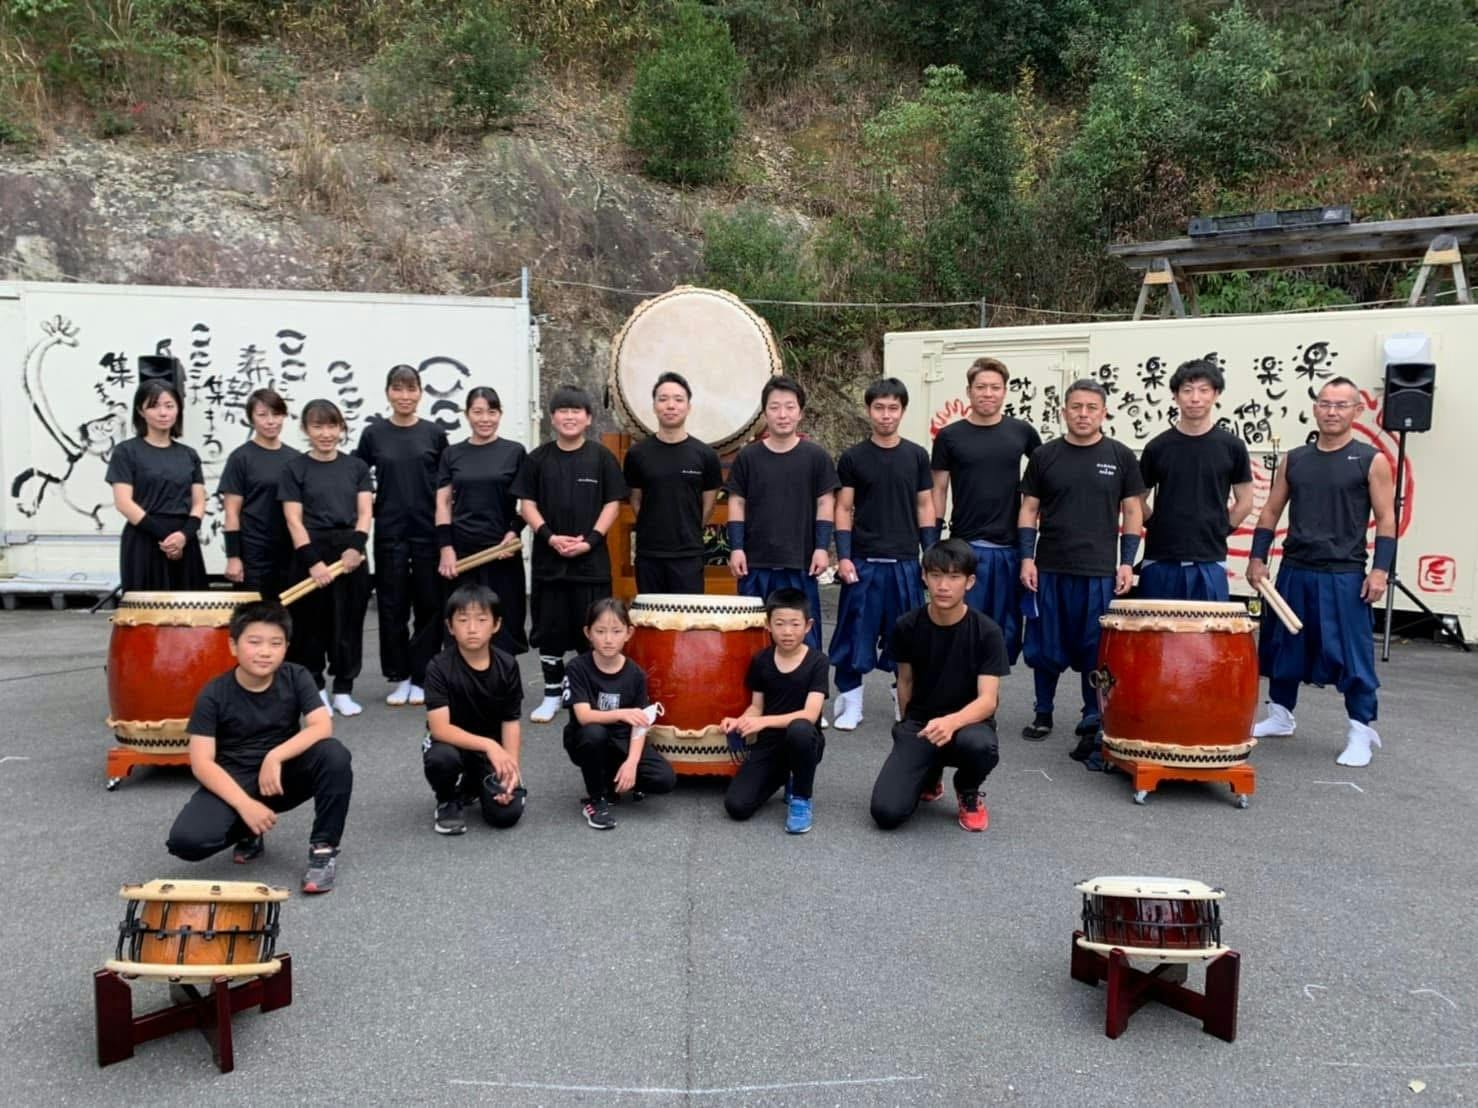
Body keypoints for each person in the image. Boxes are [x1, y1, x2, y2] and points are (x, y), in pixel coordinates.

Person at [1247, 377, 1396, 767]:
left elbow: (1386, 518)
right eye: (1325, 404)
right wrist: (1257, 557)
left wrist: (1380, 571)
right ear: (1315, 408)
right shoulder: (1296, 459)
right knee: (1283, 646)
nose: (1332, 411)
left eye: (1341, 405)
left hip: (1344, 573)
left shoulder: (1370, 460)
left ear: (1357, 410)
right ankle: (1280, 715)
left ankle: (1360, 731)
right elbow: (1271, 510)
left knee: (1351, 655)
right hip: (1295, 569)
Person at [165, 601, 353, 895]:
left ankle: (323, 851)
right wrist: (245, 805)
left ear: (286, 647)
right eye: (254, 642)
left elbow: (321, 726)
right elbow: (202, 763)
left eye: (275, 643)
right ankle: (248, 829)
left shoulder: (296, 676)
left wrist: (275, 756)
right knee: (187, 842)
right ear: (233, 645)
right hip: (234, 779)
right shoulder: (214, 694)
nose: (265, 651)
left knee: (334, 754)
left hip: (280, 777)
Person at [1018, 379, 1145, 761]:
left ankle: (1092, 715)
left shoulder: (1120, 456)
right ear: (1064, 412)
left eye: (1091, 407)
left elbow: (1133, 511)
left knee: (1096, 648)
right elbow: (1028, 509)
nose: (1083, 414)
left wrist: (1127, 561)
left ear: (1103, 412)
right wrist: (1027, 557)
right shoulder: (1045, 456)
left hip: (1099, 572)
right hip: (1050, 568)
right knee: (1046, 645)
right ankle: (1043, 712)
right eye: (1076, 407)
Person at [869, 539, 1008, 832]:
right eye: (936, 575)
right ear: (924, 577)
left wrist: (951, 722)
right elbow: (905, 681)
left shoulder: (987, 632)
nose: (943, 586)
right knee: (886, 813)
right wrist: (905, 728)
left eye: (954, 577)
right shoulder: (907, 626)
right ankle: (930, 774)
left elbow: (988, 700)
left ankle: (967, 788)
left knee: (981, 746)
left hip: (969, 724)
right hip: (921, 724)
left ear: (969, 582)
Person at [513, 384, 628, 723]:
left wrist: (591, 540)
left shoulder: (602, 458)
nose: (569, 417)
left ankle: (587, 693)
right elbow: (526, 504)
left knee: (593, 629)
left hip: (591, 563)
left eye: (576, 411)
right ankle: (551, 694)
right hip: (550, 563)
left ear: (588, 418)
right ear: (552, 418)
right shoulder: (537, 459)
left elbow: (613, 504)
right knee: (549, 631)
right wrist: (549, 537)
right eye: (562, 411)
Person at [829, 377, 935, 731]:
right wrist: (844, 556)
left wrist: (930, 556)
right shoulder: (853, 457)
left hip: (905, 562)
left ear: (903, 411)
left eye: (893, 408)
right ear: (868, 410)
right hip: (863, 562)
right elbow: (843, 508)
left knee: (906, 637)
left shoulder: (916, 455)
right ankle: (852, 703)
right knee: (853, 635)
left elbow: (925, 505)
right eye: (879, 408)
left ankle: (903, 699)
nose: (886, 415)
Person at [930, 358, 1042, 664]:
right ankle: (958, 690)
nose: (988, 394)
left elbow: (1044, 482)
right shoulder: (949, 436)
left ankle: (990, 691)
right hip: (965, 547)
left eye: (995, 387)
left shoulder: (1022, 432)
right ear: (969, 391)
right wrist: (932, 542)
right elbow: (938, 489)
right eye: (981, 387)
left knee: (1004, 635)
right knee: (961, 629)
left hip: (1009, 549)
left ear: (1005, 391)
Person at [355, 365, 449, 708]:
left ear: (421, 393)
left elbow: (447, 484)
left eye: (411, 389)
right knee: (392, 606)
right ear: (387, 393)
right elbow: (356, 476)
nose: (405, 396)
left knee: (429, 605)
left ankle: (423, 676)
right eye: (398, 389)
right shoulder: (374, 434)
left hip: (427, 531)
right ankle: (400, 676)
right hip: (390, 531)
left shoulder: (434, 434)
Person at [725, 377, 839, 650]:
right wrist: (736, 548)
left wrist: (821, 548)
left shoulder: (816, 457)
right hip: (756, 563)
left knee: (802, 637)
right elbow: (736, 502)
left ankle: (806, 680)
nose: (783, 414)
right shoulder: (748, 457)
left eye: (790, 407)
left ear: (800, 413)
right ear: (764, 414)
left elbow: (825, 503)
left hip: (799, 561)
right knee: (752, 638)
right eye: (775, 407)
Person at [280, 399, 374, 717]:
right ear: (306, 429)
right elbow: (293, 519)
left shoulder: (356, 467)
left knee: (349, 624)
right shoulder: (294, 468)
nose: (325, 433)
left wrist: (356, 547)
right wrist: (312, 562)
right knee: (310, 627)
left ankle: (344, 690)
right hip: (310, 550)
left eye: (332, 426)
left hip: (350, 553)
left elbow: (365, 512)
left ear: (341, 428)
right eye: (317, 426)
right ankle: (316, 690)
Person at [1138, 359, 1254, 600]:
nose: (1195, 398)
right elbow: (1136, 500)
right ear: (1175, 396)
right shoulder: (1157, 447)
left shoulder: (1232, 446)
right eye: (1187, 390)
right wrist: (1155, 524)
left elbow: (1245, 502)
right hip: (1160, 559)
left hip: (1210, 560)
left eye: (1204, 390)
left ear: (1216, 394)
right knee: (1155, 624)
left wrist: (1221, 528)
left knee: (1208, 625)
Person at [721, 587, 830, 834]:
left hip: (804, 742)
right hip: (770, 744)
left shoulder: (818, 662)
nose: (787, 631)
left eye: (795, 624)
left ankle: (801, 797)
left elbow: (810, 714)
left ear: (808, 626)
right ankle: (785, 775)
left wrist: (763, 721)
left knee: (800, 730)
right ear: (768, 625)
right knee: (737, 806)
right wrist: (739, 721)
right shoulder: (761, 660)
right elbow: (756, 707)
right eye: (779, 624)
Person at [561, 598, 675, 830]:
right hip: (588, 739)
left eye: (616, 631)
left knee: (664, 779)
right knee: (594, 734)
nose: (608, 639)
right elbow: (584, 716)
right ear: (588, 633)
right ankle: (596, 800)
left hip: (622, 740)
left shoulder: (636, 674)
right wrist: (623, 713)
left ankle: (613, 781)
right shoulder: (577, 668)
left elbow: (640, 724)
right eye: (600, 631)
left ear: (628, 633)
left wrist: (632, 762)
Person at [422, 584, 526, 835]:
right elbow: (440, 729)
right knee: (441, 758)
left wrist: (511, 769)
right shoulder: (438, 667)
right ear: (450, 626)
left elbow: (510, 720)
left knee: (506, 815)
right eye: (463, 620)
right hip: (452, 744)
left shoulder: (507, 665)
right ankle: (447, 799)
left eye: (481, 620)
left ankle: (472, 785)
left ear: (496, 625)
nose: (471, 628)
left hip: (491, 751)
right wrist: (489, 745)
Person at [436, 386, 528, 656]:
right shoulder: (452, 454)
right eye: (477, 412)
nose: (485, 419)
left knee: (504, 625)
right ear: (467, 415)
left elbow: (528, 502)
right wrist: (445, 547)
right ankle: (461, 680)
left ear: (500, 414)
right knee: (463, 623)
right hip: (462, 552)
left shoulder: (514, 451)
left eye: (491, 412)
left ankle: (503, 680)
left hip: (501, 550)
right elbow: (442, 503)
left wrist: (514, 532)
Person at [623, 371, 723, 594]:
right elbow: (636, 500)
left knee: (687, 614)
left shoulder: (705, 455)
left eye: (678, 399)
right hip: (649, 555)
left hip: (689, 555)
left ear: (688, 407)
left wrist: (689, 529)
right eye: (663, 399)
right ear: (654, 406)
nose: (671, 406)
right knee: (651, 613)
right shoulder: (637, 454)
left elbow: (708, 505)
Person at [106, 379, 208, 590]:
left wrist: (183, 536)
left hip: (184, 540)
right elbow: (124, 503)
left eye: (169, 406)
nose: (163, 413)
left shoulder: (189, 455)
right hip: (144, 539)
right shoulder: (126, 452)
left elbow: (199, 502)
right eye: (154, 406)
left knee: (191, 606)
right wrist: (166, 538)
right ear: (140, 411)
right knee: (148, 607)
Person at [221, 388, 300, 601]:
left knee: (287, 614)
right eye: (262, 415)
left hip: (289, 551)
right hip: (253, 553)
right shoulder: (240, 458)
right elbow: (231, 512)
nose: (270, 421)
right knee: (254, 614)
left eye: (276, 414)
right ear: (251, 419)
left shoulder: (295, 459)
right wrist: (233, 557)